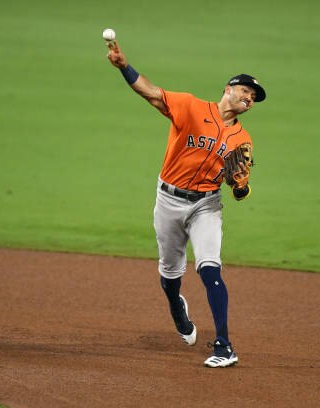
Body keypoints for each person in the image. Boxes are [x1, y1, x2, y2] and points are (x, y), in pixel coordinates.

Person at [106, 39, 266, 367]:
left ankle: (224, 346)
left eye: (253, 97)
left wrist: (239, 185)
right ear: (228, 88)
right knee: (170, 272)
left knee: (210, 269)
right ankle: (176, 305)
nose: (249, 98)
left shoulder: (243, 140)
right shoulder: (191, 107)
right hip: (168, 199)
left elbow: (239, 189)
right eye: (245, 91)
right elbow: (152, 93)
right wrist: (124, 66)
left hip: (207, 205)